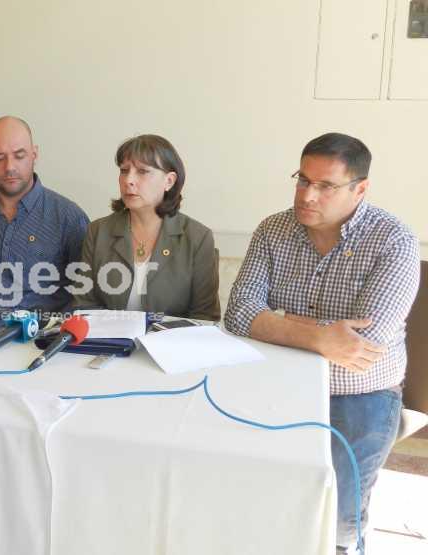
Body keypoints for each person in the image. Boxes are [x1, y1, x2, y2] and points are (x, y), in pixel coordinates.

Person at [223, 132, 420, 553]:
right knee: (255, 494)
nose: (307, 195)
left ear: (359, 189)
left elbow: (361, 343)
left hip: (358, 392)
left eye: (325, 185)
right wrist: (320, 335)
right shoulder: (273, 229)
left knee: (337, 517)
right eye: (302, 179)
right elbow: (238, 313)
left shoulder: (393, 240)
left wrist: (277, 323)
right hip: (274, 380)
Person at [0, 116, 89, 315]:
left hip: (41, 330)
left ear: (34, 155)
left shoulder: (69, 218)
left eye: (19, 156)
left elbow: (86, 296)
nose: (9, 167)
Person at [72, 134, 220, 320]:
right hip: (108, 337)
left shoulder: (198, 237)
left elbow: (204, 318)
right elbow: (84, 305)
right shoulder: (98, 231)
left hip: (172, 338)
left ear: (169, 181)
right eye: (124, 170)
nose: (129, 180)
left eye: (142, 171)